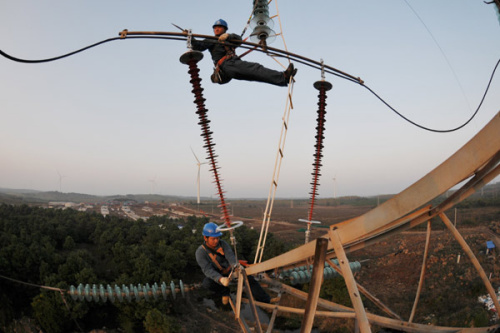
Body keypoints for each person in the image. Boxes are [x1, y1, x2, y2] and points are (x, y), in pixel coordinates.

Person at [191, 19, 297, 86]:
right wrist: (190, 37)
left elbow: (239, 40)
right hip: (227, 65)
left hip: (232, 66)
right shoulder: (211, 40)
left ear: (224, 29)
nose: (217, 29)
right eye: (215, 28)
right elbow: (198, 46)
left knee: (256, 75)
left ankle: (283, 79)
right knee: (256, 68)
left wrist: (229, 36)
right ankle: (283, 76)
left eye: (219, 27)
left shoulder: (229, 38)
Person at [195, 222, 271, 306]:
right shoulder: (200, 252)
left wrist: (236, 266)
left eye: (218, 238)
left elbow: (230, 256)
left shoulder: (223, 244)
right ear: (205, 238)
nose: (216, 241)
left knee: (248, 278)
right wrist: (220, 279)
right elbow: (207, 269)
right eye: (213, 239)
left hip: (228, 269)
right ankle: (225, 292)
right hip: (216, 274)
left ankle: (266, 300)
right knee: (207, 283)